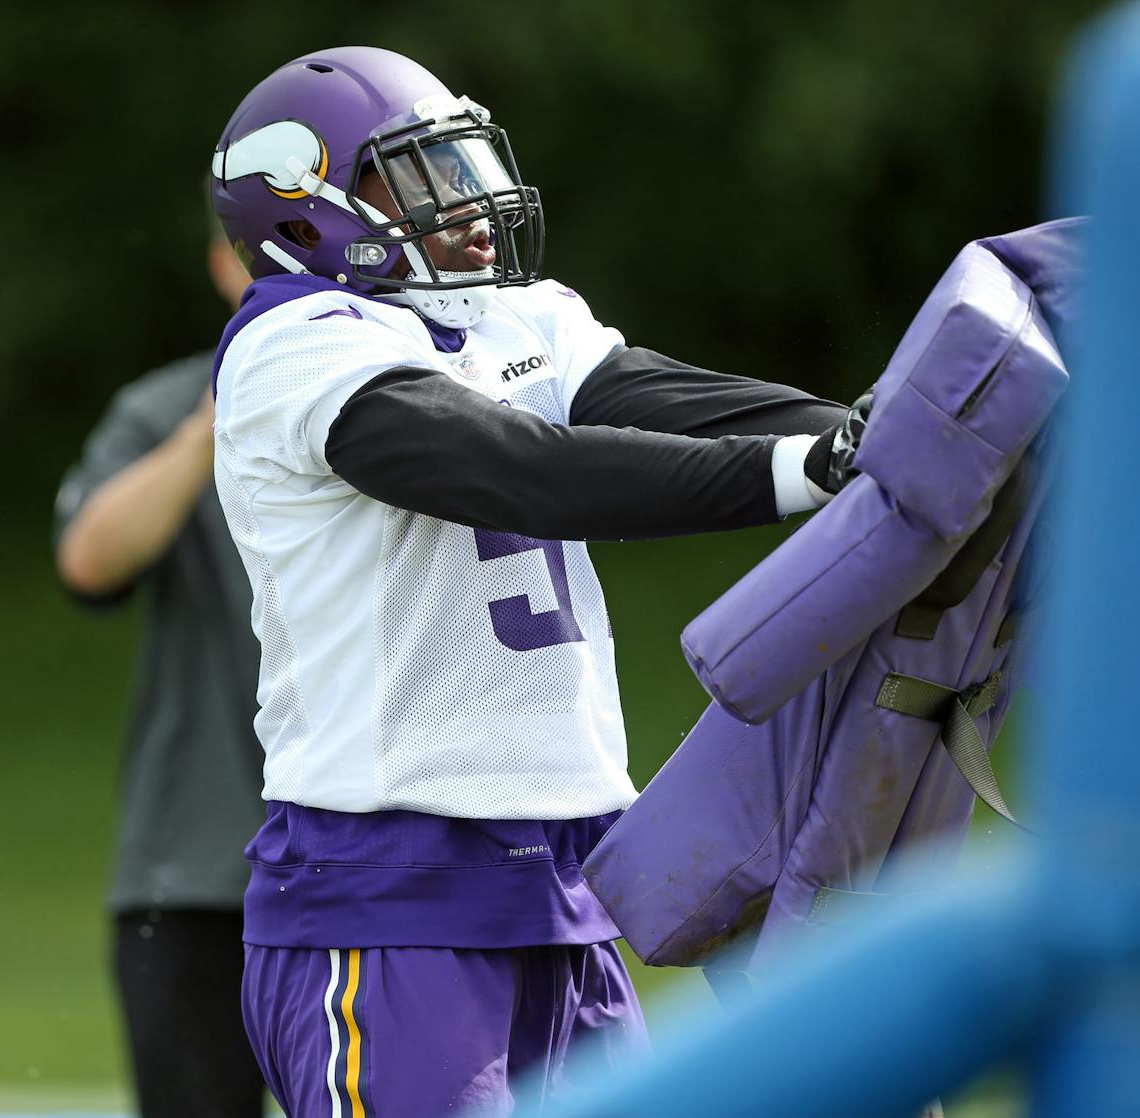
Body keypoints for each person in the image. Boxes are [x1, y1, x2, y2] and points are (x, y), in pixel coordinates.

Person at [208, 46, 866, 1116]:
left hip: (569, 884)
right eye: (418, 176)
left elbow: (661, 398)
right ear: (306, 211)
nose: (468, 205)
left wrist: (879, 434)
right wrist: (806, 473)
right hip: (388, 888)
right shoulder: (293, 342)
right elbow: (522, 471)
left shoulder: (513, 318)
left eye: (462, 165)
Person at [53, 227, 265, 1118]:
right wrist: (212, 426)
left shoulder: (400, 405)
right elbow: (89, 560)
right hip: (194, 871)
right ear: (222, 261)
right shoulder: (163, 409)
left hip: (381, 868)